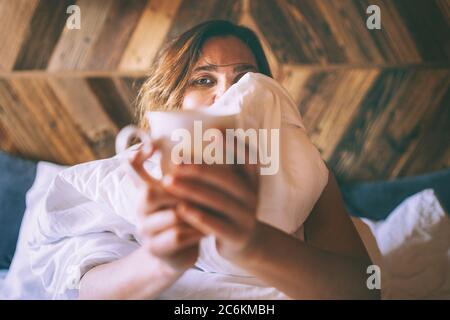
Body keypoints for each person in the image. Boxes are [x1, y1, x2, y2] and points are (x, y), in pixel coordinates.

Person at [30, 20, 378, 300]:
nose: (228, 93)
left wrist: (250, 243)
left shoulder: (303, 172)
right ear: (172, 102)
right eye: (204, 79)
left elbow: (362, 290)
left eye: (244, 80)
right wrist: (160, 261)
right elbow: (90, 290)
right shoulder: (124, 184)